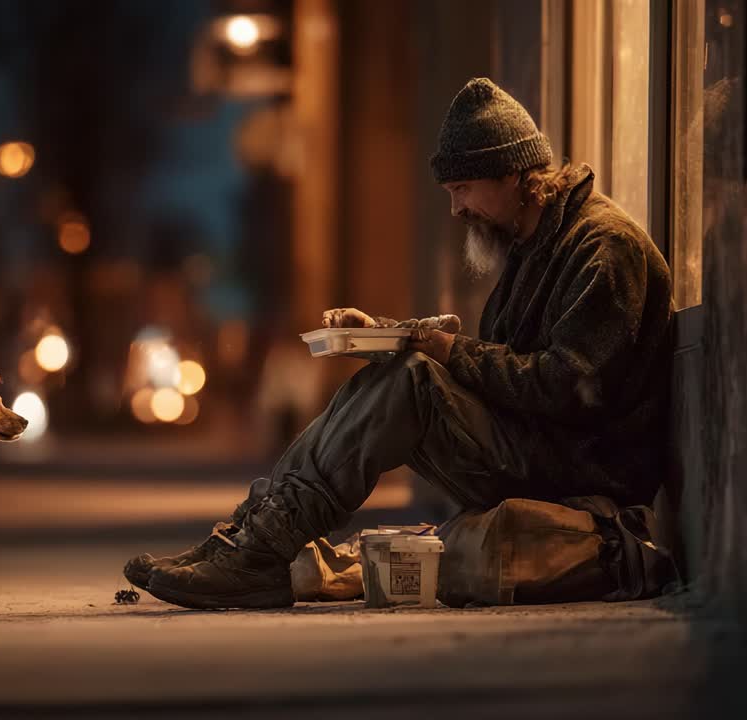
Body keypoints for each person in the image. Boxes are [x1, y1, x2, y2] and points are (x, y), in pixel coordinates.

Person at [125, 77, 672, 609]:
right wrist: (394, 333)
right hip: (545, 447)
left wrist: (448, 352)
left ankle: (261, 550)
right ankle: (251, 534)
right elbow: (508, 369)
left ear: (513, 175)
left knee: (414, 379)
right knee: (406, 368)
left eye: (463, 189)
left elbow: (566, 387)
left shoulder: (604, 248)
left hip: (586, 473)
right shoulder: (535, 245)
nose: (457, 209)